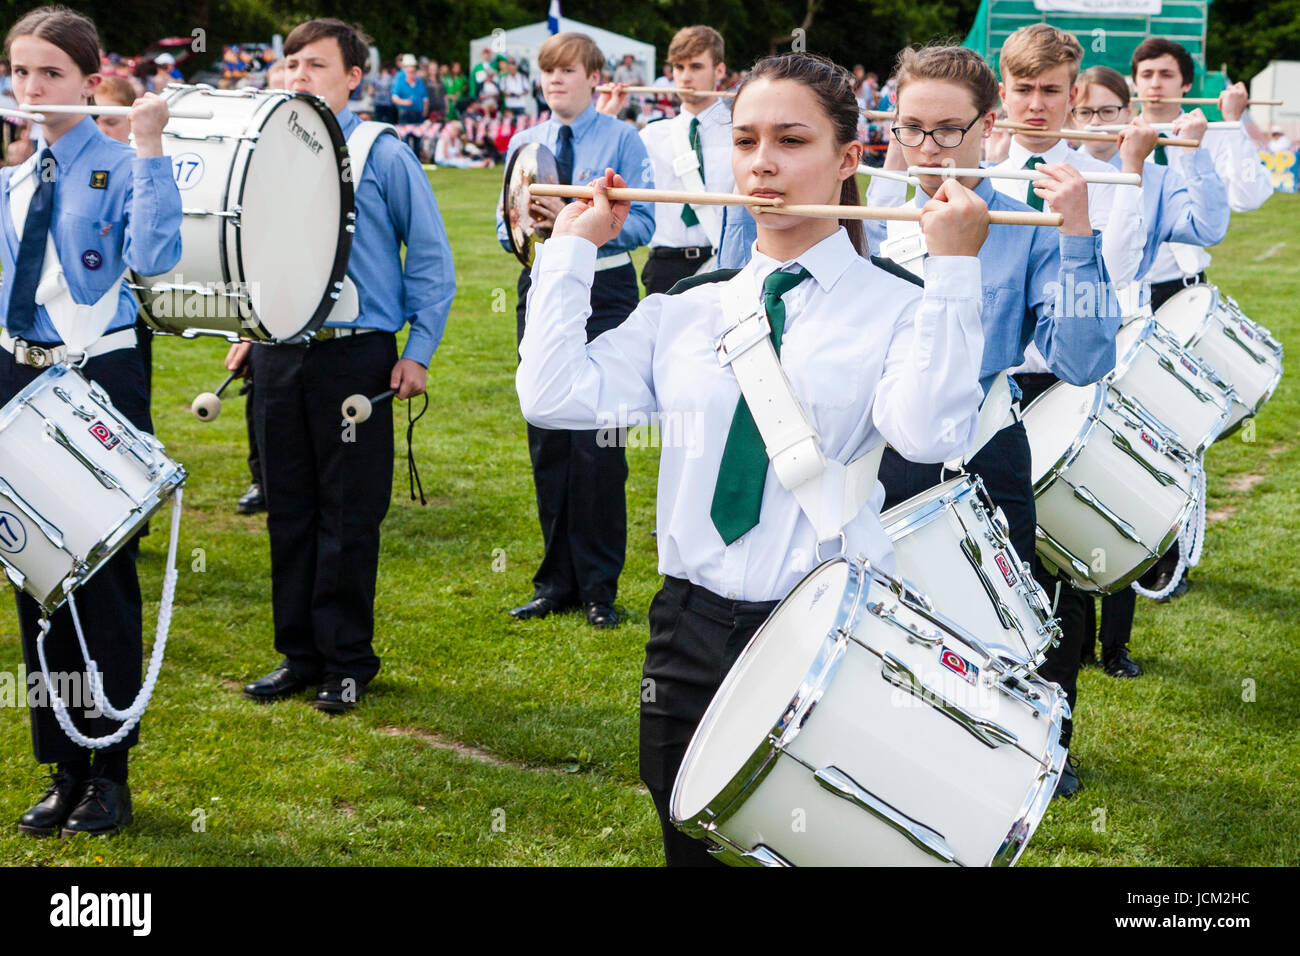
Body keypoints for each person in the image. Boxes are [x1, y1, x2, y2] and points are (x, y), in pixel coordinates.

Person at [517, 52, 988, 866]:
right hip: (687, 626)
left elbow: (930, 436)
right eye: (745, 140)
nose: (762, 163)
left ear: (848, 160)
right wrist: (570, 254)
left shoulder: (899, 305)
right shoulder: (686, 307)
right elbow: (555, 395)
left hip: (824, 630)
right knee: (686, 840)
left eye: (791, 139)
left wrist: (952, 271)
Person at [228, 18, 455, 713]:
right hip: (279, 355)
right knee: (287, 509)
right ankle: (298, 655)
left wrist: (416, 352)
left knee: (348, 514)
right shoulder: (263, 150)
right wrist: (247, 326)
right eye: (291, 64)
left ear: (355, 77)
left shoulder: (382, 152)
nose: (299, 77)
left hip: (355, 356)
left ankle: (348, 660)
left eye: (316, 65)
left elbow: (431, 262)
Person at [1, 5, 181, 836]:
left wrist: (147, 148)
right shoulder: (13, 175)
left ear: (90, 74)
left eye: (50, 73)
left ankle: (110, 770)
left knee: (99, 583)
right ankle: (60, 765)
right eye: (20, 71)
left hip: (95, 378)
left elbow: (155, 256)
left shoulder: (120, 160)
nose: (32, 89)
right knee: (33, 577)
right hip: (17, 378)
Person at [861, 44, 1115, 583]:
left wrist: (1076, 236)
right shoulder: (871, 224)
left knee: (1003, 642)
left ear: (988, 123)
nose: (928, 149)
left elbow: (1084, 361)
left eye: (949, 129)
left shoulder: (1030, 227)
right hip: (875, 458)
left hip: (983, 453)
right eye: (912, 128)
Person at [991, 23, 1156, 798]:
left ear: (1073, 94)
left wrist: (1084, 217)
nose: (1035, 104)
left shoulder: (1100, 180)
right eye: (1021, 89)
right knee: (983, 574)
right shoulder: (971, 172)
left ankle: (1051, 746)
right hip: (982, 395)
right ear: (1002, 91)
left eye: (1050, 91)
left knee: (1056, 579)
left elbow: (1109, 293)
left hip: (1060, 384)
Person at [1071, 64, 1229, 677]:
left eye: (1110, 111)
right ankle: (1072, 641)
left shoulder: (1155, 179)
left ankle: (1116, 645)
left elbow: (1209, 226)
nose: (1098, 123)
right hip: (1060, 356)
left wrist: (1194, 153)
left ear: (1128, 114)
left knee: (1120, 491)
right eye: (1087, 112)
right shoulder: (1052, 173)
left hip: (1125, 350)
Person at [496, 31, 654, 629]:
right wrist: (535, 227)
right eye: (547, 73)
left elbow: (644, 223)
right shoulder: (524, 142)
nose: (555, 81)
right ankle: (554, 582)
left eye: (567, 71)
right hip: (541, 285)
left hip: (607, 290)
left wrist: (587, 227)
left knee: (599, 444)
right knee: (549, 437)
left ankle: (598, 588)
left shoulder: (623, 138)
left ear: (594, 77)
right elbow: (501, 228)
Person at [1129, 36, 1273, 599]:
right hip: (1127, 298)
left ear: (1187, 84)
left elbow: (1251, 196)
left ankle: (1177, 554)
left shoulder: (1205, 131)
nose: (1156, 83)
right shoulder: (1119, 134)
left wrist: (1231, 126)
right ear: (1135, 81)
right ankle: (1140, 548)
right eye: (1146, 74)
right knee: (1131, 431)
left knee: (1183, 432)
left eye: (1167, 74)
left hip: (1182, 298)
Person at [620, 26, 732, 295]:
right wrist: (608, 113)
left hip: (726, 264)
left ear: (719, 71)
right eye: (678, 68)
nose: (685, 77)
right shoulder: (650, 136)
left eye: (695, 67)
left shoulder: (741, 134)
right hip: (665, 266)